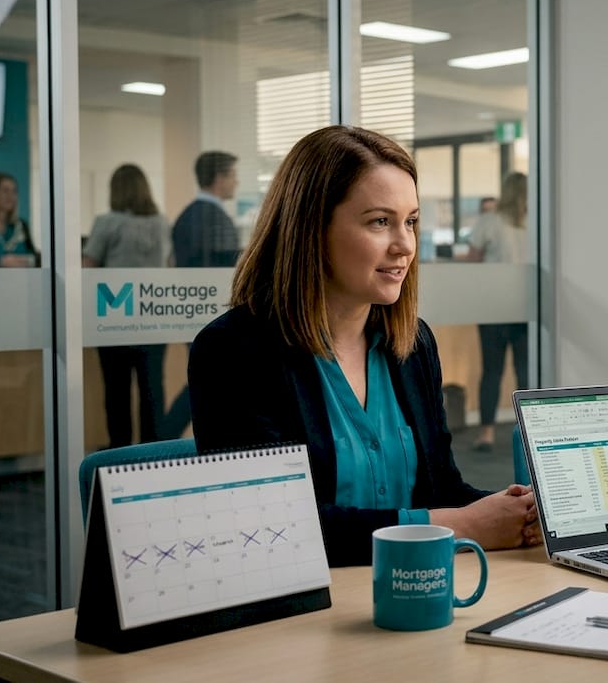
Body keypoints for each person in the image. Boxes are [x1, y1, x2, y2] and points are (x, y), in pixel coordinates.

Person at [188, 125, 539, 566]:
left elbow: (442, 490)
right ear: (311, 227)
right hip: (304, 616)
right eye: (380, 222)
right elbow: (270, 530)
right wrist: (461, 527)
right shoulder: (234, 351)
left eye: (410, 221)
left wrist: (520, 514)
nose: (405, 245)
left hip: (417, 592)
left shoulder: (412, 343)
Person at [82, 164, 171, 447]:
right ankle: (152, 452)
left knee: (117, 391)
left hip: (115, 318)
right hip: (153, 317)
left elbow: (88, 266)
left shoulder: (107, 222)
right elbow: (170, 265)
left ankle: (119, 451)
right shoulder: (161, 223)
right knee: (152, 391)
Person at [160, 150, 241, 438]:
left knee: (208, 381)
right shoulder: (213, 218)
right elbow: (227, 267)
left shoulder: (189, 215)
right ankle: (165, 436)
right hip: (210, 312)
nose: (237, 182)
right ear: (219, 178)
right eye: (232, 175)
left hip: (196, 309)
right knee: (209, 382)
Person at [466, 172, 529, 450]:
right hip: (528, 306)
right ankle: (532, 431)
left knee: (492, 371)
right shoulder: (537, 221)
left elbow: (473, 261)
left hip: (494, 306)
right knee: (526, 371)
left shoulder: (490, 221)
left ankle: (487, 433)